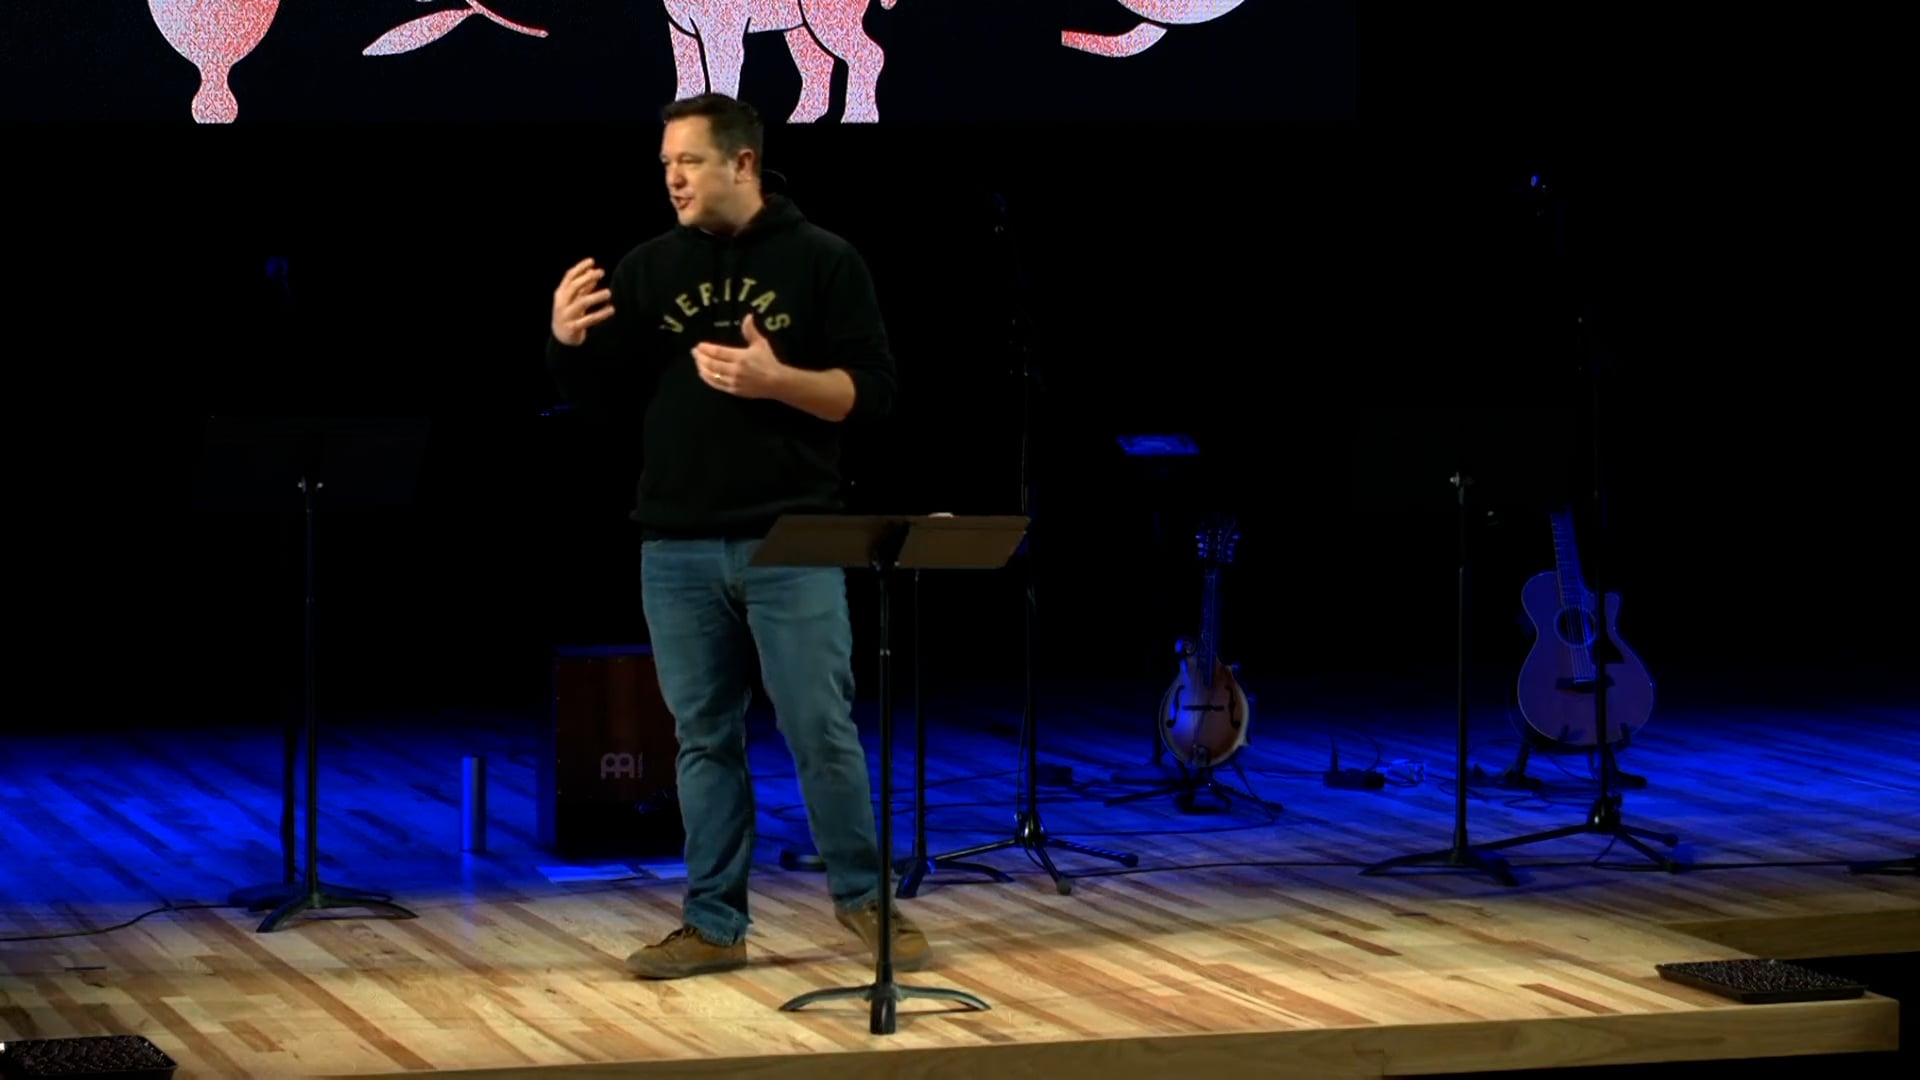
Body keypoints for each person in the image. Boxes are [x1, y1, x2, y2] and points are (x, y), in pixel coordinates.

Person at [544, 93, 923, 980]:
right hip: (674, 544)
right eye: (665, 165)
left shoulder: (823, 259)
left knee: (819, 728)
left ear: (742, 163)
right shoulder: (648, 268)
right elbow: (600, 403)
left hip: (794, 539)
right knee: (703, 739)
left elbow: (874, 394)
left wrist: (777, 380)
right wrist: (564, 343)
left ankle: (865, 902)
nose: (673, 179)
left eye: (689, 162)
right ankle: (714, 925)